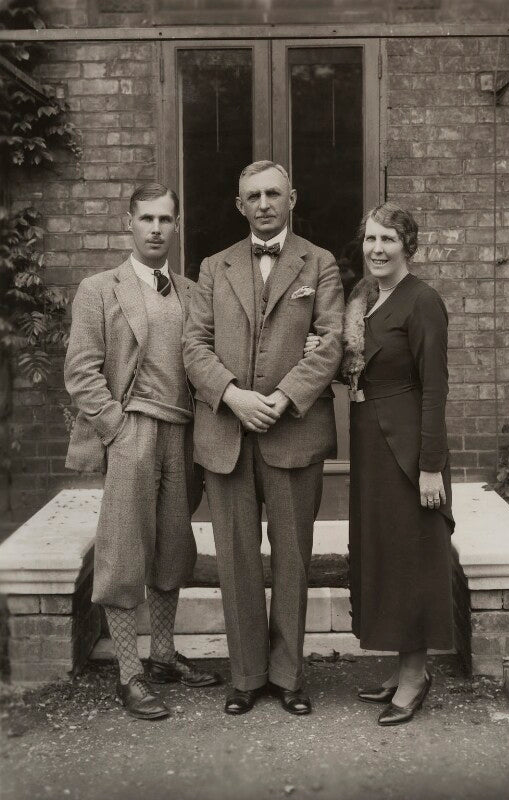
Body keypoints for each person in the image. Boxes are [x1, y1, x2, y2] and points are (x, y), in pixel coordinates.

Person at [182, 160, 344, 716]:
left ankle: (290, 677)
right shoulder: (213, 266)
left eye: (274, 193)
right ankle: (247, 675)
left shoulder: (318, 263)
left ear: (292, 198)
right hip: (226, 434)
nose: (265, 203)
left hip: (294, 432)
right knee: (235, 560)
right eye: (253, 195)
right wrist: (233, 396)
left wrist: (280, 398)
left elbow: (330, 341)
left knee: (293, 559)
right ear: (240, 204)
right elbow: (194, 346)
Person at [64, 183, 221, 720]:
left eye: (165, 220)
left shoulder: (192, 292)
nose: (156, 229)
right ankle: (129, 675)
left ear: (177, 226)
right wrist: (116, 427)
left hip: (182, 434)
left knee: (175, 548)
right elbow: (81, 370)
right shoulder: (99, 289)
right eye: (146, 219)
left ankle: (163, 657)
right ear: (128, 223)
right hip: (132, 432)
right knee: (125, 549)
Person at [341, 202, 455, 726]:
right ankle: (399, 669)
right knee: (386, 555)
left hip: (408, 448)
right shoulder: (365, 297)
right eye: (370, 239)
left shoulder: (422, 300)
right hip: (371, 443)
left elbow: (435, 388)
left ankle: (415, 678)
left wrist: (430, 464)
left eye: (388, 240)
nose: (377, 249)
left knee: (411, 559)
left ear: (409, 246)